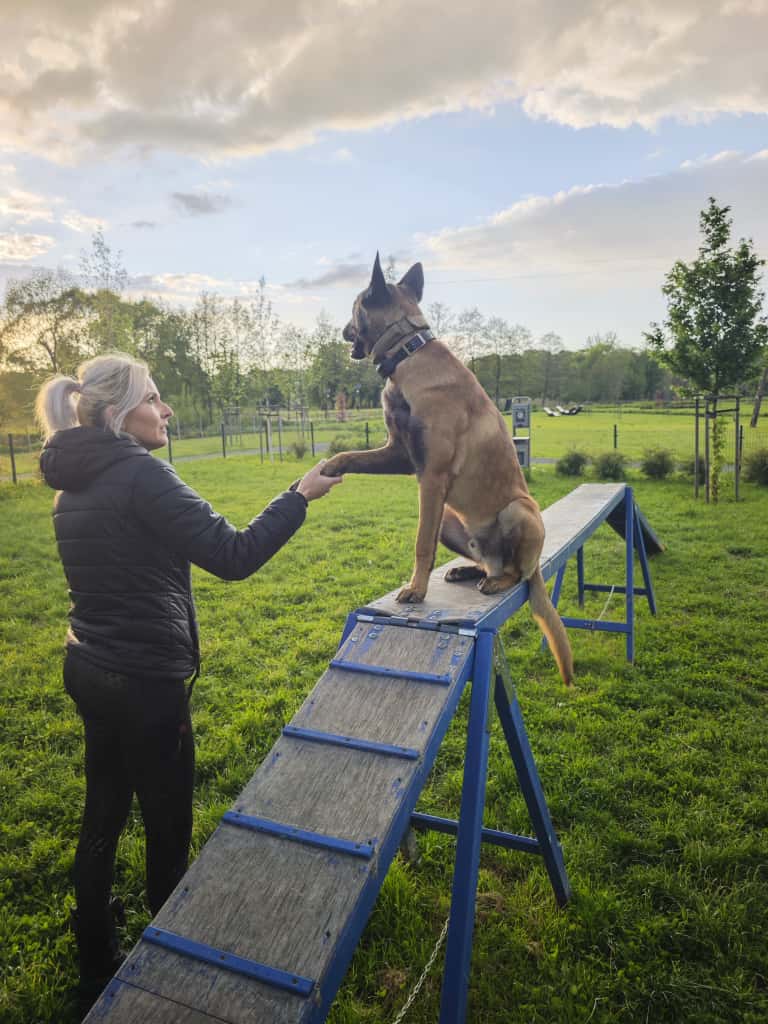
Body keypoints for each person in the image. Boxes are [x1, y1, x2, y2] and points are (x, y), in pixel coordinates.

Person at [35, 353, 342, 1009]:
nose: (166, 409)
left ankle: (96, 957)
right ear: (121, 414)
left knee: (103, 810)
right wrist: (298, 496)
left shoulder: (71, 481)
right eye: (155, 397)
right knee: (168, 829)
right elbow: (234, 555)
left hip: (85, 665)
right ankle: (175, 967)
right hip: (146, 684)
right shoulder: (141, 476)